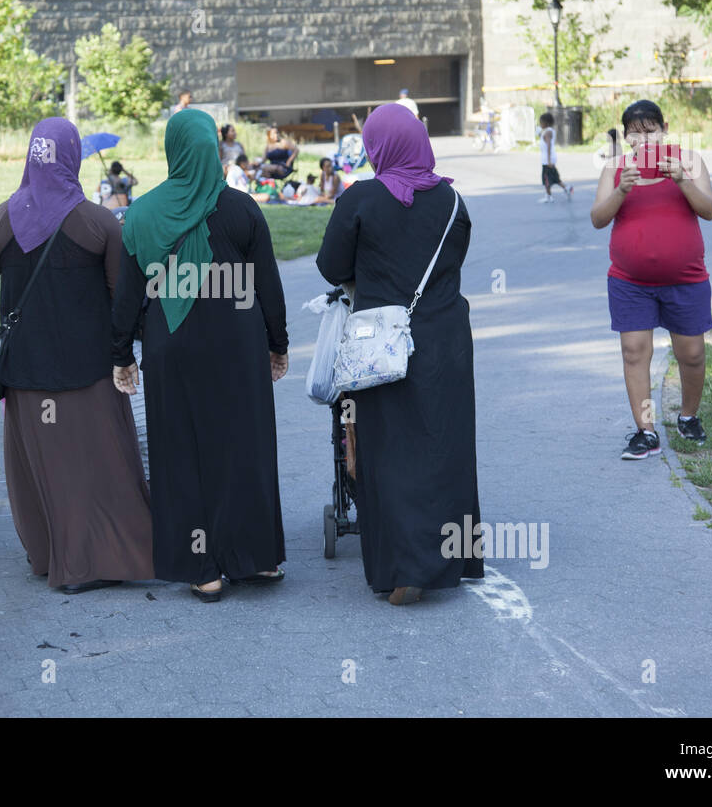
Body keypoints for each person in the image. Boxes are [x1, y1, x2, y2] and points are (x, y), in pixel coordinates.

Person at [0, 117, 154, 594]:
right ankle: (101, 560)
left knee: (47, 469)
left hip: (26, 372)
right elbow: (120, 294)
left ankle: (56, 558)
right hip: (89, 369)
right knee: (102, 467)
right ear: (70, 157)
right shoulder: (96, 219)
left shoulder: (5, 216)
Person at [110, 108, 289, 603]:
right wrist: (279, 344)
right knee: (243, 446)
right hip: (238, 348)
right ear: (211, 147)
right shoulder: (241, 209)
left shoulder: (142, 214)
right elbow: (268, 288)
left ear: (173, 149)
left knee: (181, 452)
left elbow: (127, 297)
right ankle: (254, 558)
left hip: (173, 348)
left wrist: (121, 353)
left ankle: (203, 568)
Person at [316, 104, 483, 606]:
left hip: (381, 344)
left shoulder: (361, 199)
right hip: (446, 341)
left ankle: (406, 568)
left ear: (376, 147)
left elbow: (330, 266)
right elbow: (453, 261)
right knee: (444, 445)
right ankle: (457, 554)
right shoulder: (453, 201)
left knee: (391, 452)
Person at [590, 99, 712, 461]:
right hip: (630, 282)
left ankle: (688, 417)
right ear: (626, 137)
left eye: (650, 130)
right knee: (634, 355)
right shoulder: (616, 169)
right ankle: (646, 431)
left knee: (691, 354)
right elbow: (598, 219)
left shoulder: (689, 162)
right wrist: (621, 190)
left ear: (664, 130)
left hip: (686, 279)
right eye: (634, 132)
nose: (643, 138)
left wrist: (682, 180)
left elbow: (709, 210)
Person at [537, 112, 573, 202]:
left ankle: (548, 196)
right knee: (554, 177)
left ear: (546, 123)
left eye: (541, 122)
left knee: (546, 178)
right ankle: (567, 188)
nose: (540, 124)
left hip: (547, 159)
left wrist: (549, 160)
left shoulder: (548, 131)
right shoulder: (547, 131)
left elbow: (548, 145)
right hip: (548, 158)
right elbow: (544, 140)